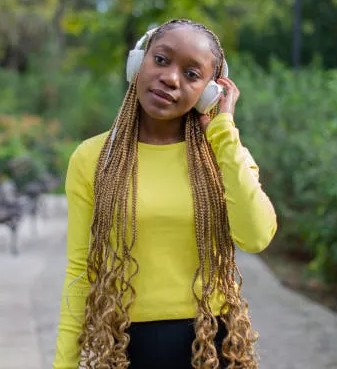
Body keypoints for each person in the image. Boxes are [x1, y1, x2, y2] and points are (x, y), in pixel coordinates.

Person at [53, 18, 277, 369]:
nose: (171, 78)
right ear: (137, 63)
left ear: (209, 92)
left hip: (209, 345)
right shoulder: (93, 158)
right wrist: (63, 365)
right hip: (127, 348)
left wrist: (224, 131)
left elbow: (256, 237)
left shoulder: (223, 154)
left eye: (191, 74)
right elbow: (80, 272)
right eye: (161, 60)